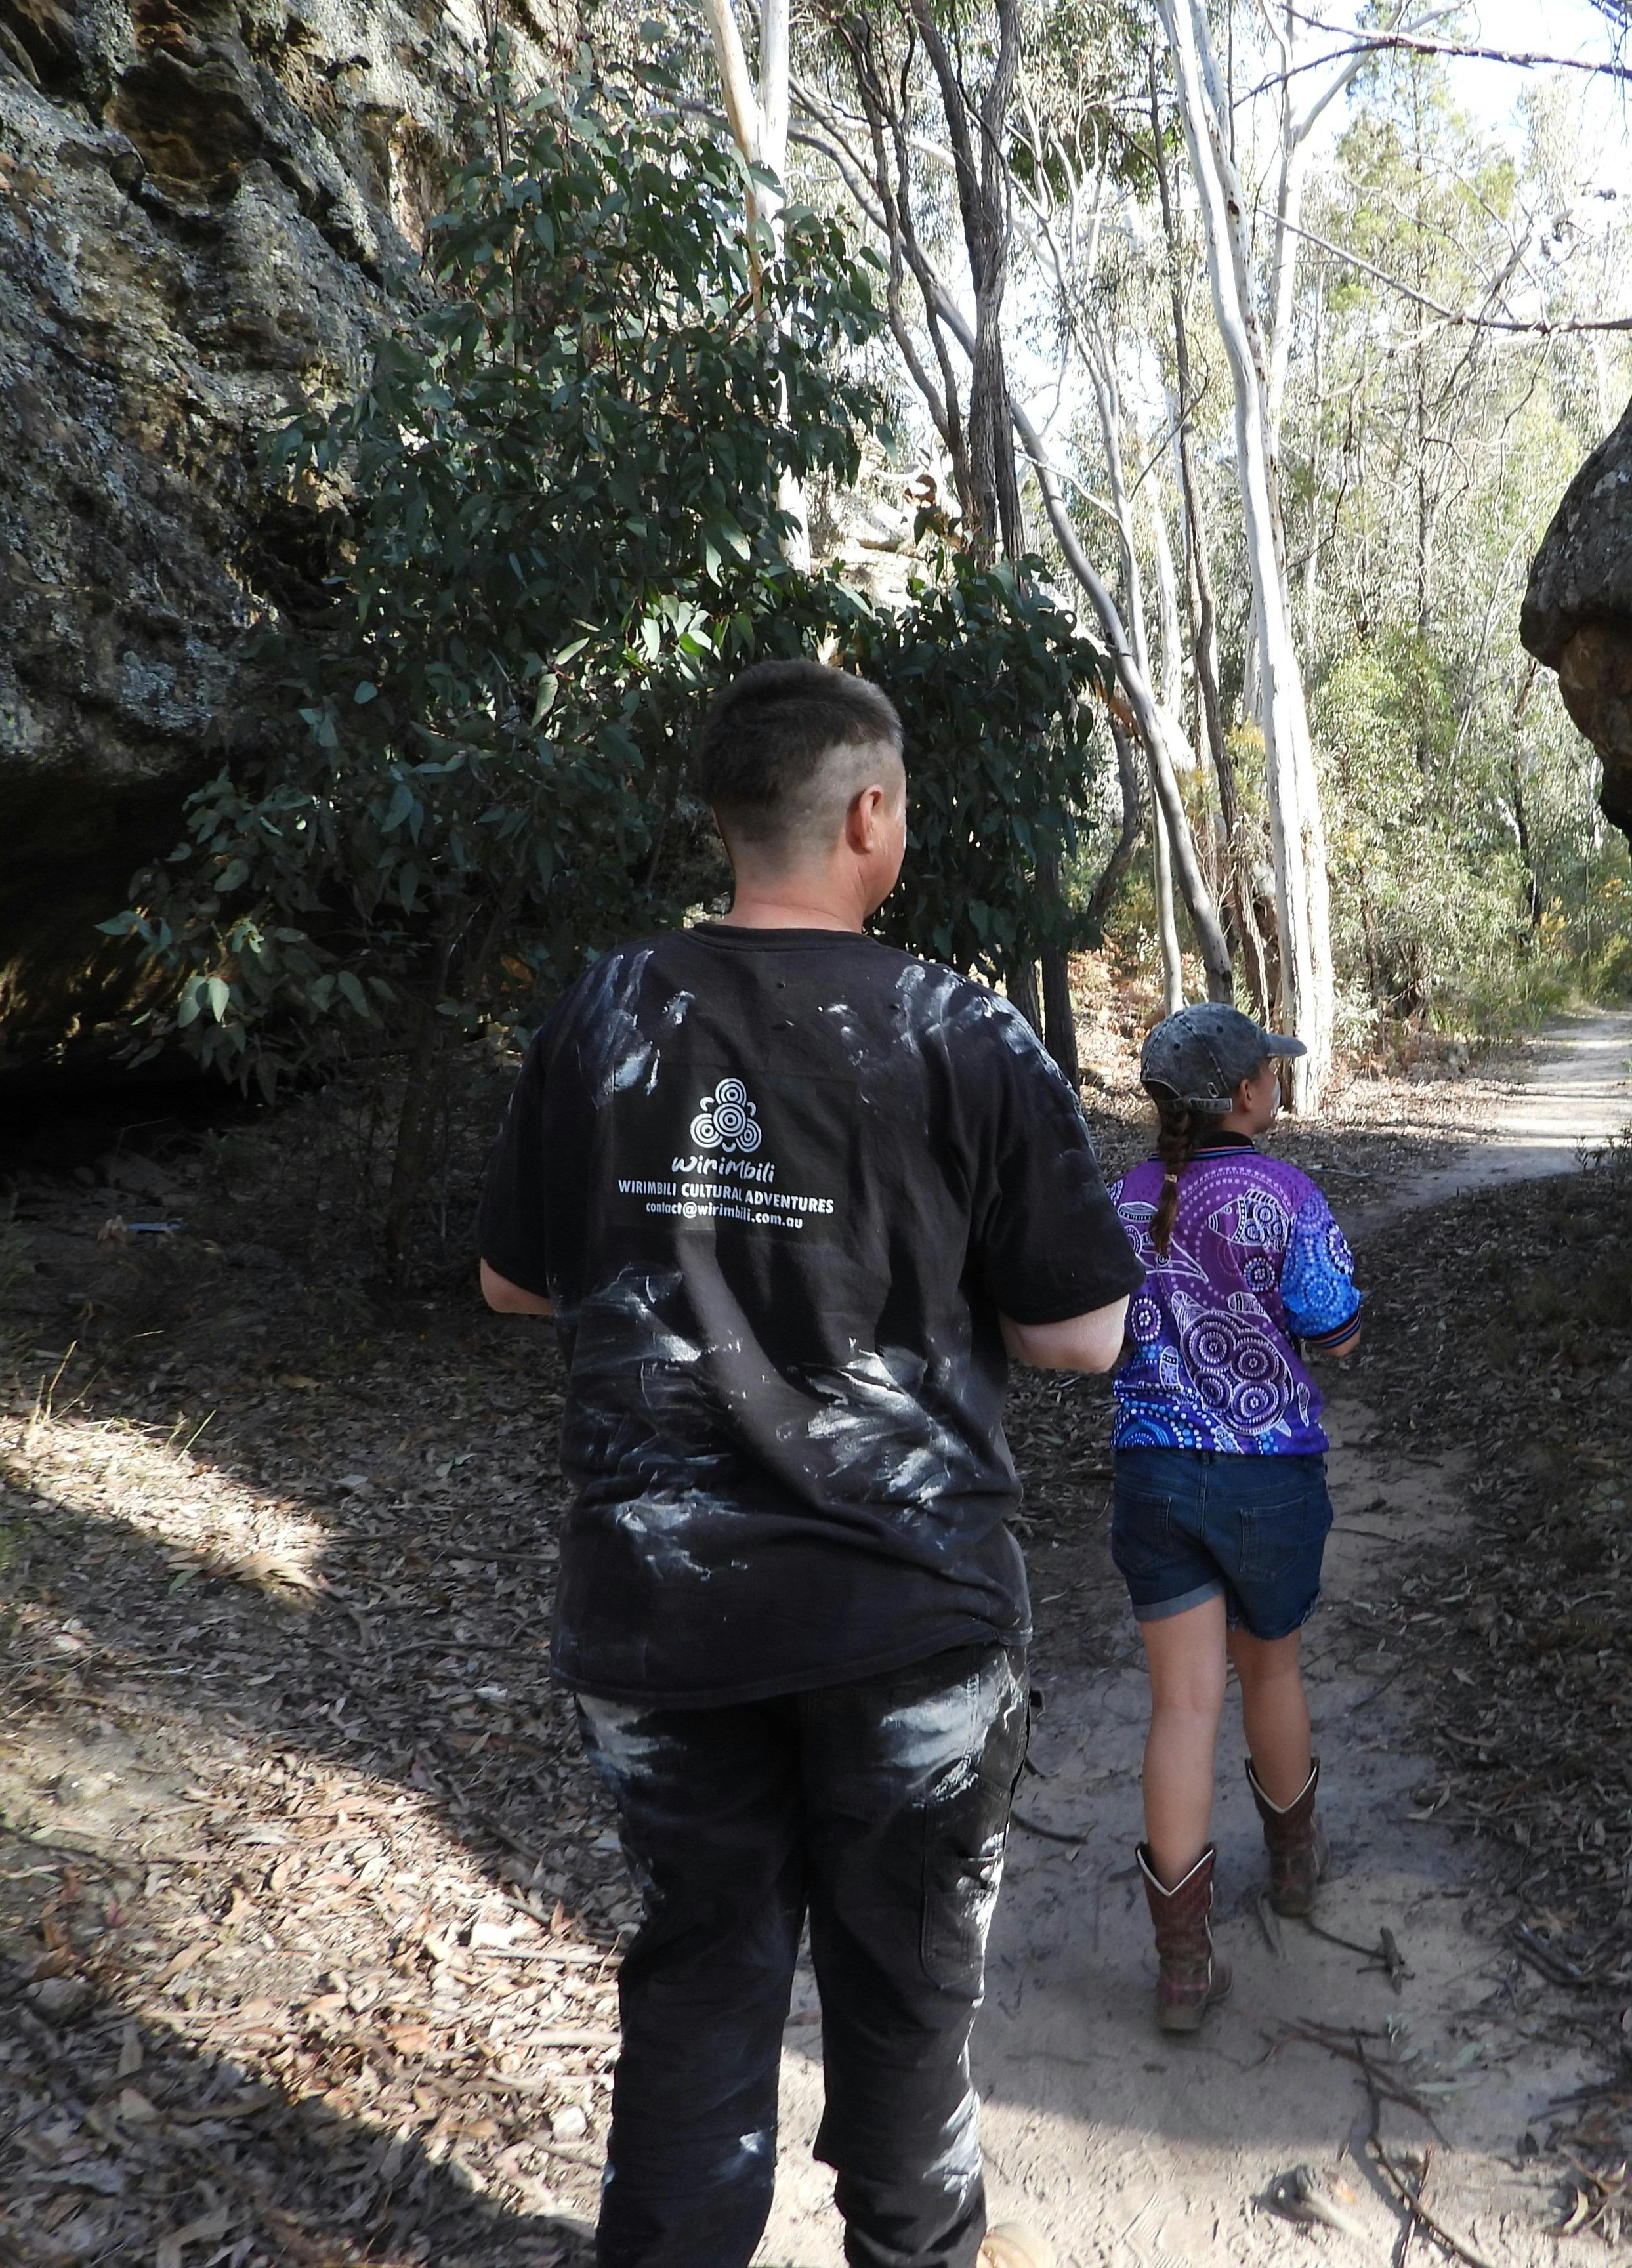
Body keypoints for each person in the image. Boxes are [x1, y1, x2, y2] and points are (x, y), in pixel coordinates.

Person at [475, 658, 1141, 2268]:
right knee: (908, 2007)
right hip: (905, 1621)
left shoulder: (600, 1013)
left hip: (661, 1617)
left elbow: (512, 1281)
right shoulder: (962, 1031)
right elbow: (1084, 1336)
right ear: (868, 814)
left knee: (702, 1978)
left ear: (727, 819)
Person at [1104, 1005, 1366, 2033]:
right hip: (1268, 1479)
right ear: (1247, 1095)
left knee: (1181, 1709)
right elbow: (1336, 1329)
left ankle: (1180, 1966)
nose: (1274, 1084)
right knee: (1273, 1670)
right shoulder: (1285, 1194)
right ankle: (1295, 1868)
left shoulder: (1121, 1200)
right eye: (1268, 1072)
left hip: (1154, 1477)